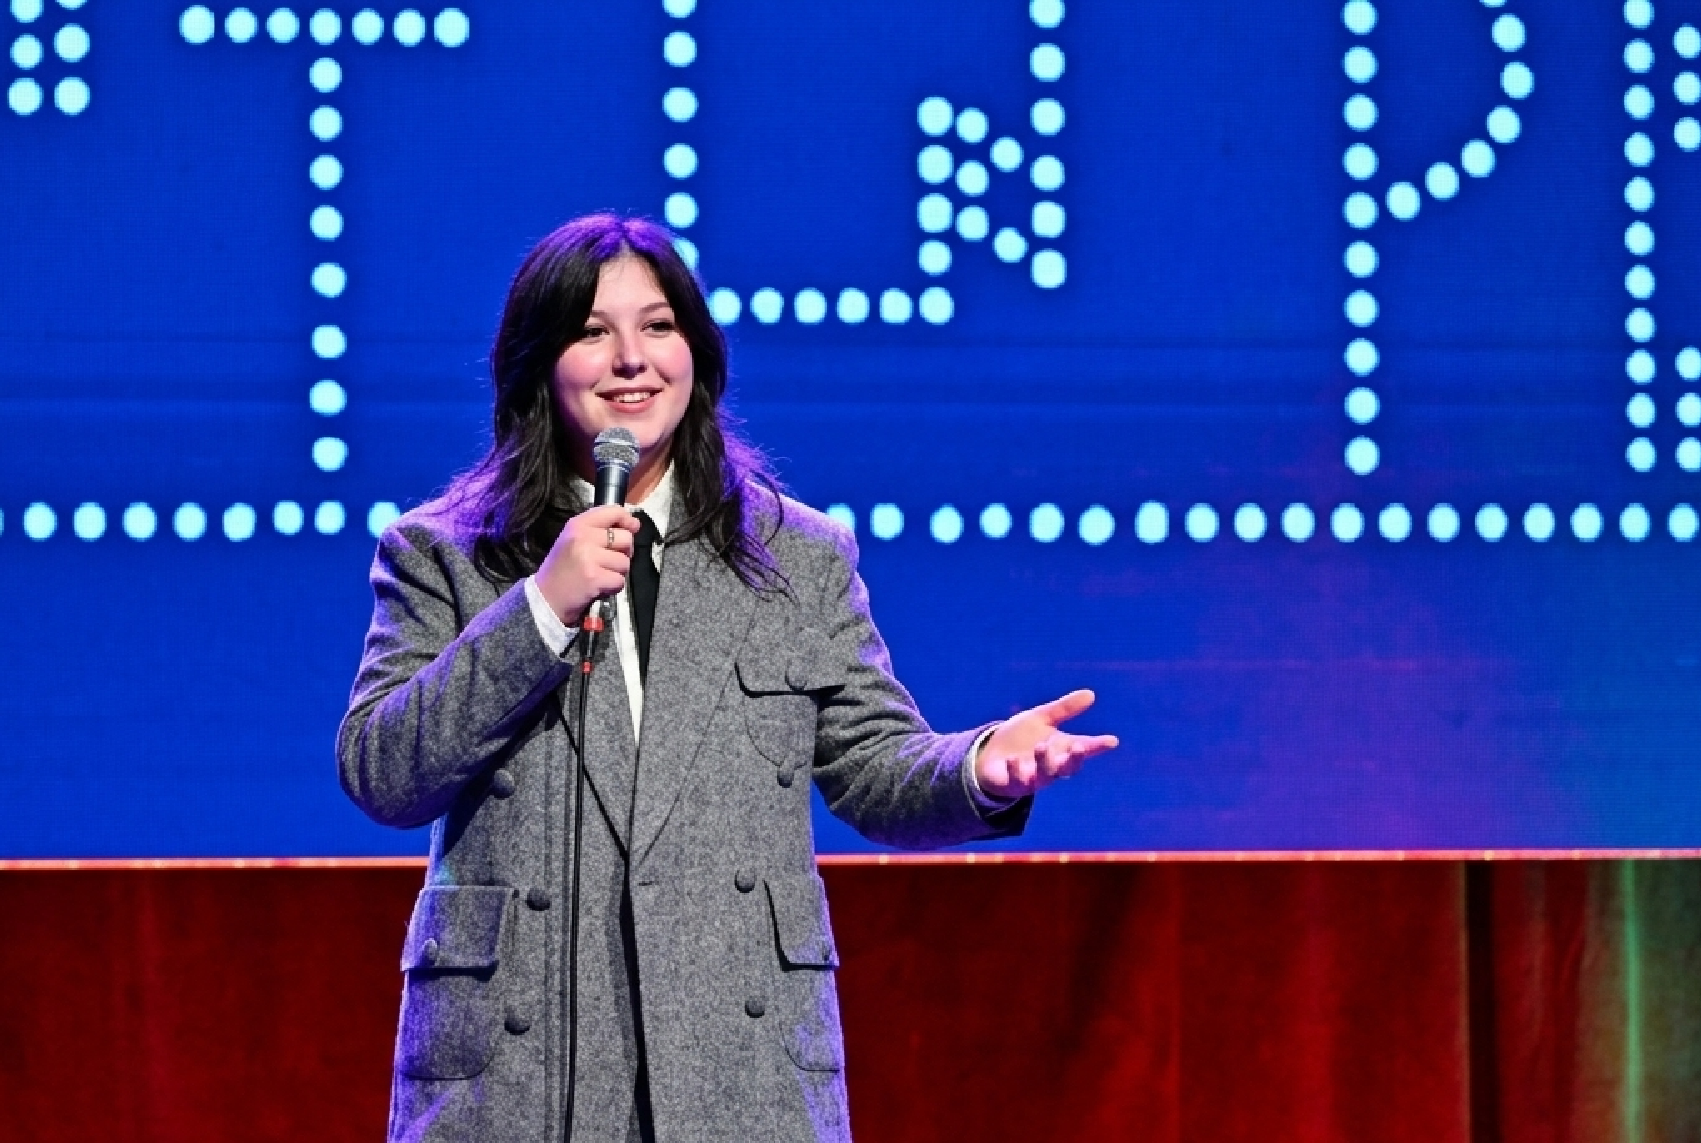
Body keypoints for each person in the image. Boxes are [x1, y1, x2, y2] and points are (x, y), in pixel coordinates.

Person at [337, 214, 1117, 1143]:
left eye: (658, 326)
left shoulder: (796, 554)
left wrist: (980, 766)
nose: (632, 358)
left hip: (734, 1064)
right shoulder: (445, 553)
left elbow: (873, 763)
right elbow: (383, 770)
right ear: (541, 362)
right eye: (593, 332)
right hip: (517, 1070)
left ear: (697, 354)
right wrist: (540, 608)